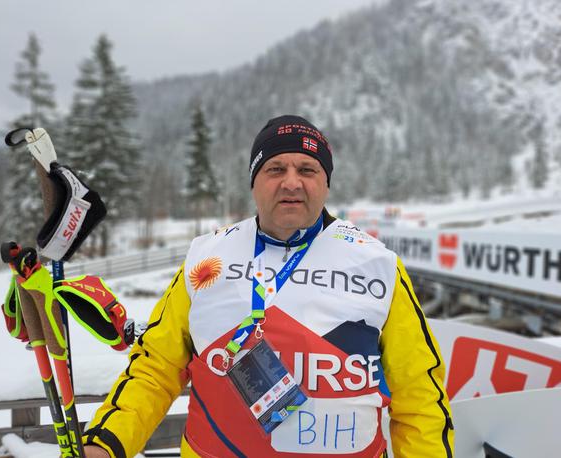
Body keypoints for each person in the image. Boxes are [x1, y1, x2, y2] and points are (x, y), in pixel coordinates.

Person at [83, 115, 454, 457]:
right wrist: (106, 443)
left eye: (307, 169)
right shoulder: (207, 257)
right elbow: (154, 368)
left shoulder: (377, 263)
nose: (291, 181)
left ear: (326, 183)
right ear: (254, 182)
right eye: (275, 168)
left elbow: (420, 398)